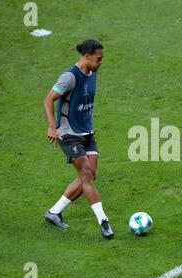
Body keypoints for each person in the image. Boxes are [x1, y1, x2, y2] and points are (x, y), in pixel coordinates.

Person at [43, 39, 113, 239]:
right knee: (87, 176)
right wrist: (51, 127)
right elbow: (48, 100)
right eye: (98, 59)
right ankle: (103, 221)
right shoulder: (69, 77)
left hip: (87, 132)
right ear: (87, 56)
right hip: (69, 134)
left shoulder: (93, 72)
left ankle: (54, 212)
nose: (101, 63)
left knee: (89, 176)